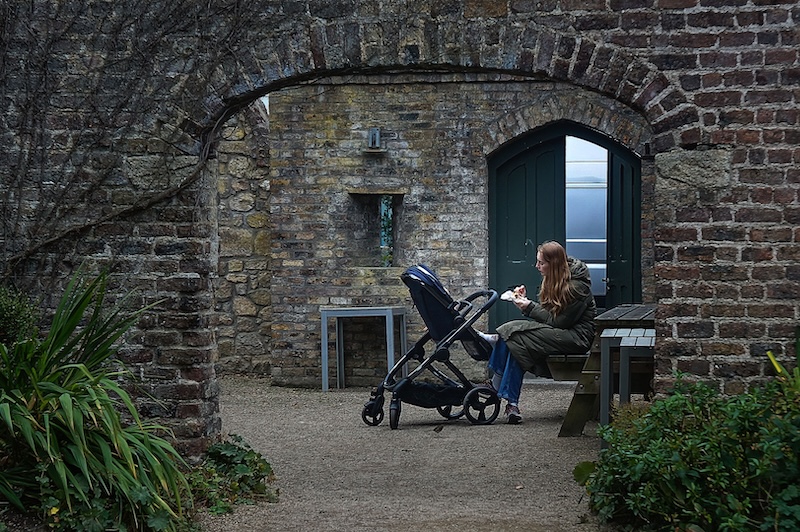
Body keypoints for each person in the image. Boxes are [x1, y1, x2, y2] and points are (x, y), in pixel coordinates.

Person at [480, 241, 596, 424]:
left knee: (515, 336)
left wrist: (528, 307)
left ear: (554, 263)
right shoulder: (555, 277)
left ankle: (496, 383)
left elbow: (559, 321)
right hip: (560, 332)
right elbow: (551, 313)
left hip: (576, 338)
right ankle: (512, 405)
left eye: (541, 263)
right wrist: (525, 301)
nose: (537, 266)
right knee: (517, 345)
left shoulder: (577, 287)